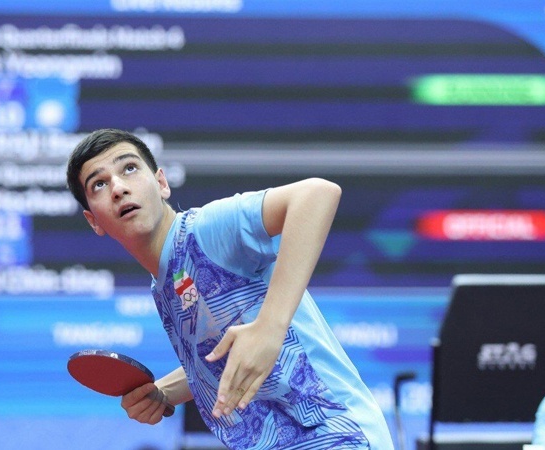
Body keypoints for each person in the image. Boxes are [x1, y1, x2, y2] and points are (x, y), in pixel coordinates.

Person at [66, 129, 393, 449]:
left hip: (336, 434)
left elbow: (317, 195)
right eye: (99, 184)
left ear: (161, 183)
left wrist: (270, 326)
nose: (118, 188)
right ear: (93, 221)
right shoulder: (164, 282)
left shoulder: (205, 231)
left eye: (129, 168)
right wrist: (165, 393)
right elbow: (219, 355)